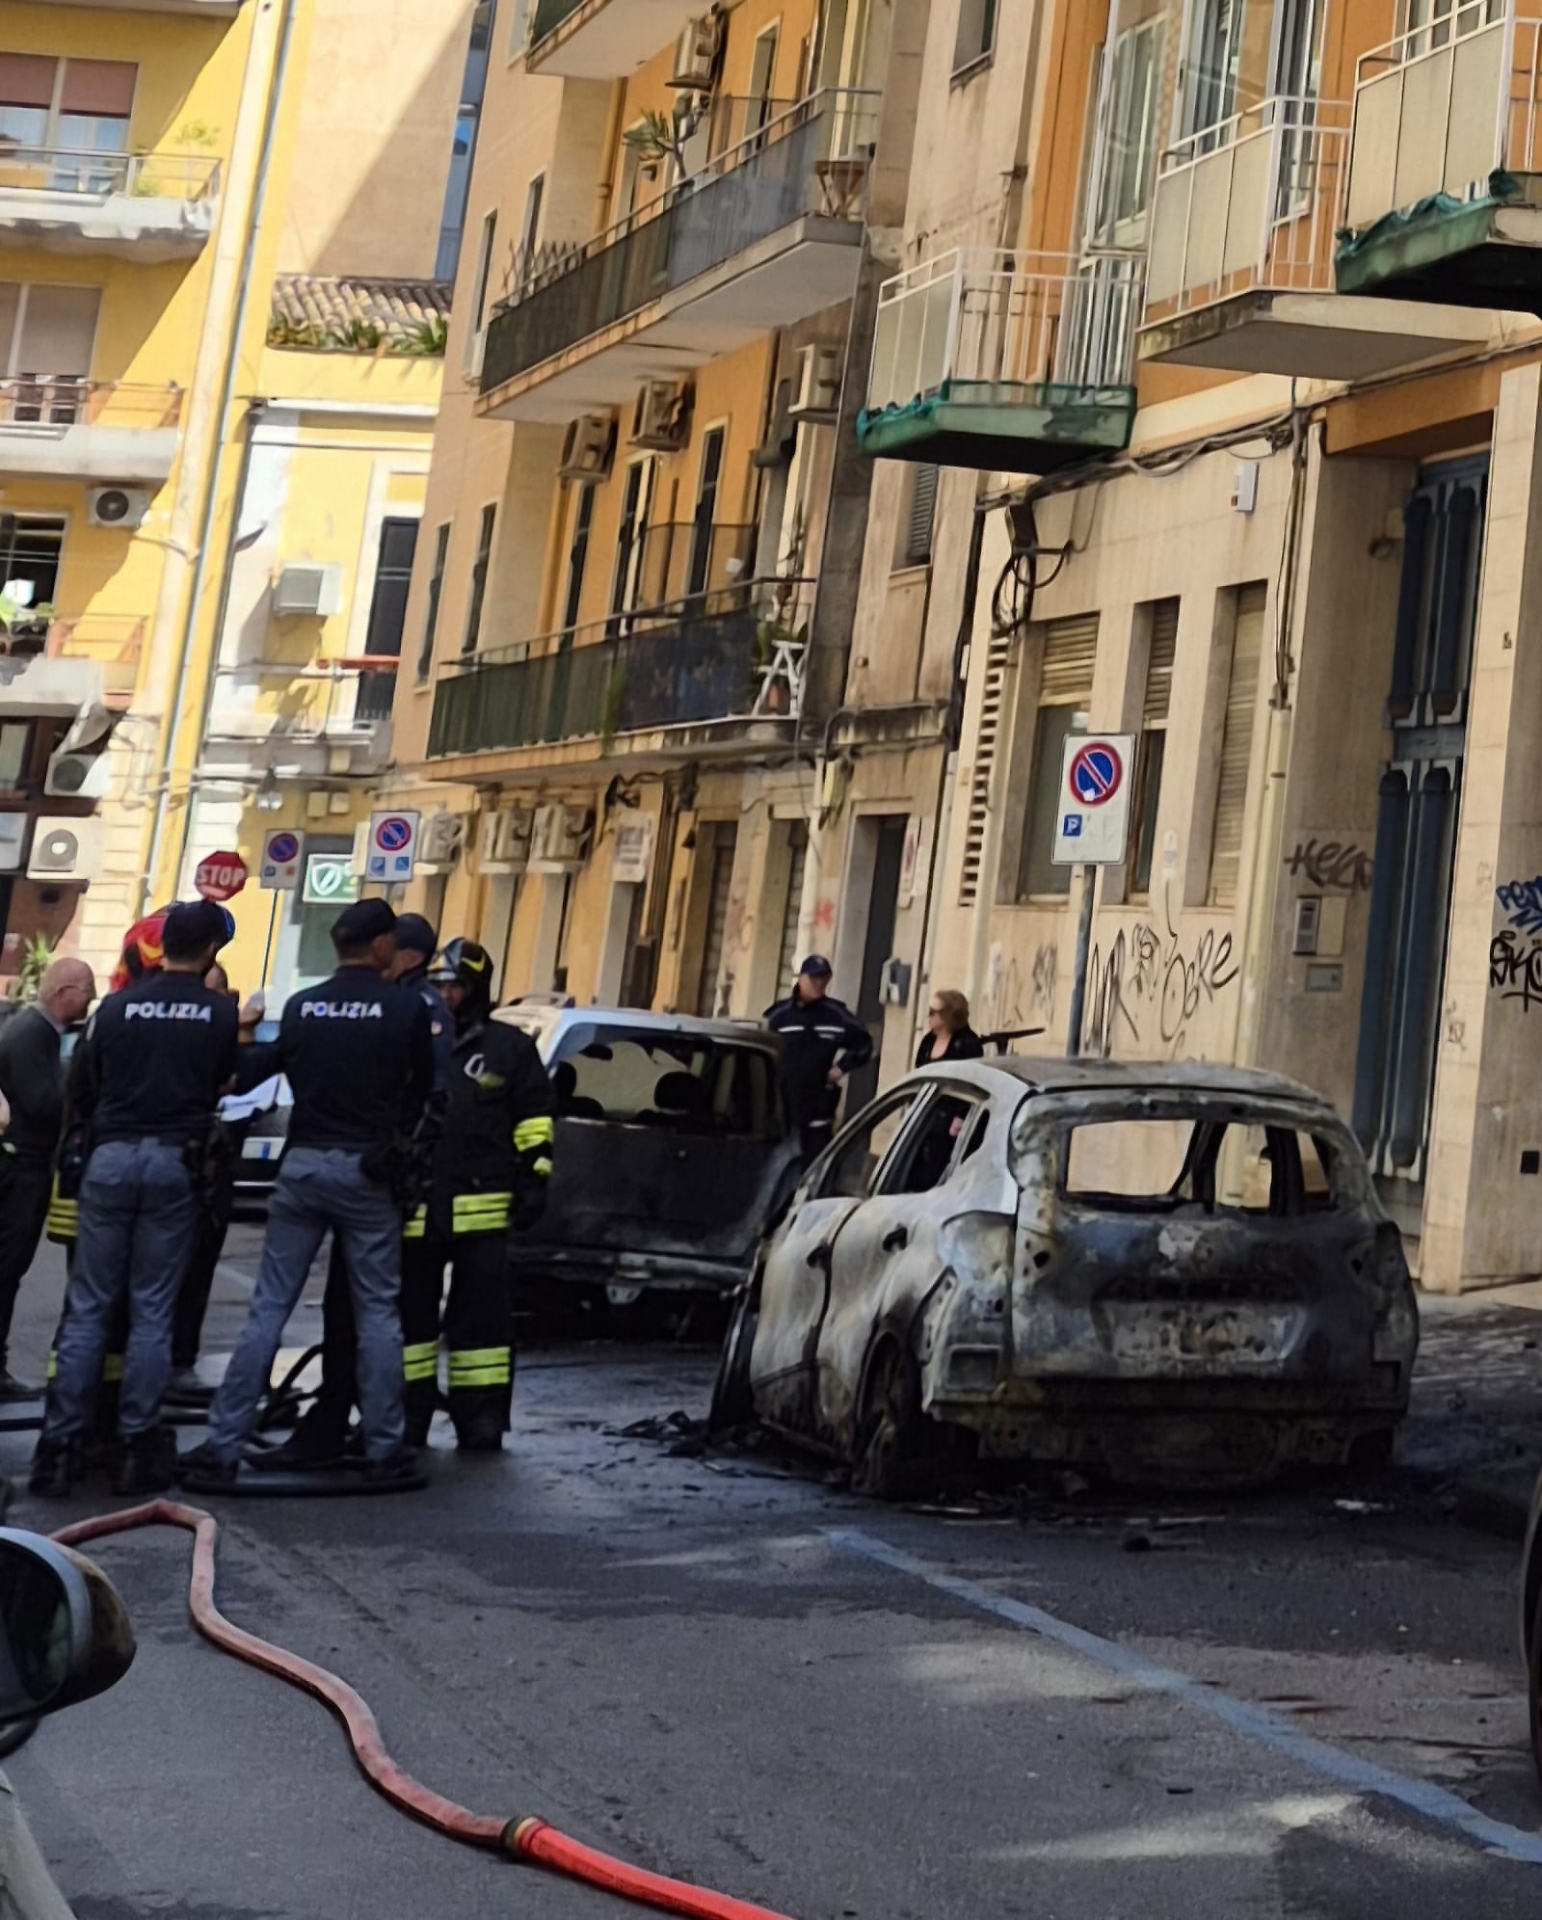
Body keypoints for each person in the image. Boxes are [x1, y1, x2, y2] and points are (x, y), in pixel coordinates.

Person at [183, 898, 434, 1489]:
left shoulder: (303, 1006)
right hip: (367, 1171)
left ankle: (222, 1444)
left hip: (302, 1164)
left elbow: (264, 1069)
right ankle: (384, 1447)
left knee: (269, 1306)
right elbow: (423, 1092)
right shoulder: (404, 1009)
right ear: (380, 946)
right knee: (377, 1311)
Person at [30, 902, 237, 1497]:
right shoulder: (218, 1013)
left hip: (110, 1159)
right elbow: (223, 1082)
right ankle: (135, 1446)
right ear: (210, 952)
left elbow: (83, 1087)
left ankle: (58, 1448)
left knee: (89, 1307)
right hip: (176, 1161)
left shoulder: (114, 1010)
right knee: (152, 1310)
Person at [257, 911, 452, 1468]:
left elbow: (428, 1101)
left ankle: (366, 1426)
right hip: (374, 1176)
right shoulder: (404, 1005)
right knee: (358, 1310)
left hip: (371, 1174)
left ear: (402, 953)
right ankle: (356, 1426)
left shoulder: (416, 1007)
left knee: (359, 1311)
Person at [411, 938, 553, 1449]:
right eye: (438, 985)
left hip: (483, 1211)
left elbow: (534, 1119)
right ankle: (406, 1415)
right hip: (417, 1207)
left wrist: (535, 1179)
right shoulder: (413, 1036)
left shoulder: (509, 1048)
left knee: (482, 1325)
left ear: (477, 989)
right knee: (411, 1321)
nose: (445, 995)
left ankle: (481, 1418)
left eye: (455, 986)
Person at [0, 957, 94, 1396]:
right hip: (21, 1169)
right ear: (63, 992)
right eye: (86, 990)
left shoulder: (34, 1032)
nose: (92, 999)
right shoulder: (31, 1035)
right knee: (7, 1268)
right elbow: (42, 1103)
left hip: (26, 1166)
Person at [167, 959, 245, 1397]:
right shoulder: (190, 1030)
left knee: (197, 1271)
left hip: (212, 1166)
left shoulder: (223, 1029)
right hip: (181, 1162)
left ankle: (180, 1360)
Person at [764, 956, 873, 1165]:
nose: (819, 983)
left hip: (817, 1110)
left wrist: (841, 1068)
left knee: (816, 1167)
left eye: (823, 979)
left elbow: (865, 1044)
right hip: (781, 1109)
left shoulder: (836, 1016)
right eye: (813, 978)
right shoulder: (779, 1016)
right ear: (801, 978)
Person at [914, 989, 985, 1068]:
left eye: (932, 1012)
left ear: (947, 1015)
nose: (928, 1016)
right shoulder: (928, 1040)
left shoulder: (968, 1044)